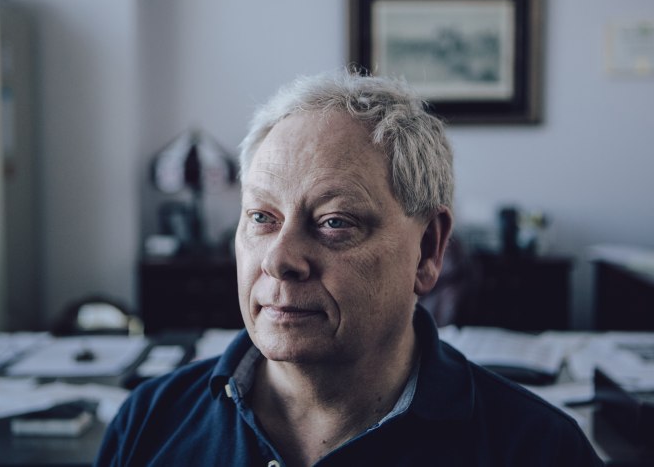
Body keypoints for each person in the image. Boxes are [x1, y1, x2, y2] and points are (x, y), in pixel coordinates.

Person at [95, 70, 603, 466]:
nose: (279, 259)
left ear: (427, 250)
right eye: (261, 218)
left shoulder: (539, 450)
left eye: (335, 222)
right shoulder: (148, 422)